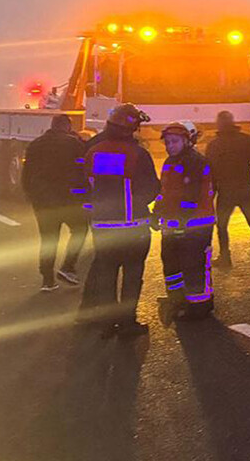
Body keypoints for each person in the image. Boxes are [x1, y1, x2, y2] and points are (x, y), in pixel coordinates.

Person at [80, 103, 159, 338]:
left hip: (103, 227)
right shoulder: (138, 154)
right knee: (132, 277)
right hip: (133, 228)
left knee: (106, 276)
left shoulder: (94, 151)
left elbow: (84, 184)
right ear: (131, 127)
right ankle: (127, 324)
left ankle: (106, 325)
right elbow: (152, 187)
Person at [153, 122, 216, 324]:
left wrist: (182, 220)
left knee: (194, 265)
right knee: (170, 263)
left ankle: (200, 306)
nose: (170, 146)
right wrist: (156, 212)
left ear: (186, 141)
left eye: (174, 142)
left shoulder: (196, 161)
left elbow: (192, 195)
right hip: (174, 225)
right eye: (168, 142)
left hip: (196, 225)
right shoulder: (170, 162)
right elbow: (165, 192)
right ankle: (177, 300)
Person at [22, 115, 89, 291]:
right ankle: (68, 266)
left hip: (42, 201)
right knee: (80, 229)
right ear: (67, 126)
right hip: (67, 199)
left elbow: (26, 173)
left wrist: (30, 194)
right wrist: (86, 195)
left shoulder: (35, 144)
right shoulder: (73, 143)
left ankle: (47, 280)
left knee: (48, 239)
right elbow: (84, 168)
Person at [205, 110, 250, 271]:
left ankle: (225, 257)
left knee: (221, 225)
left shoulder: (214, 145)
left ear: (219, 125)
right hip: (245, 189)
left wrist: (210, 194)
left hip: (226, 192)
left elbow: (210, 172)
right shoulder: (246, 140)